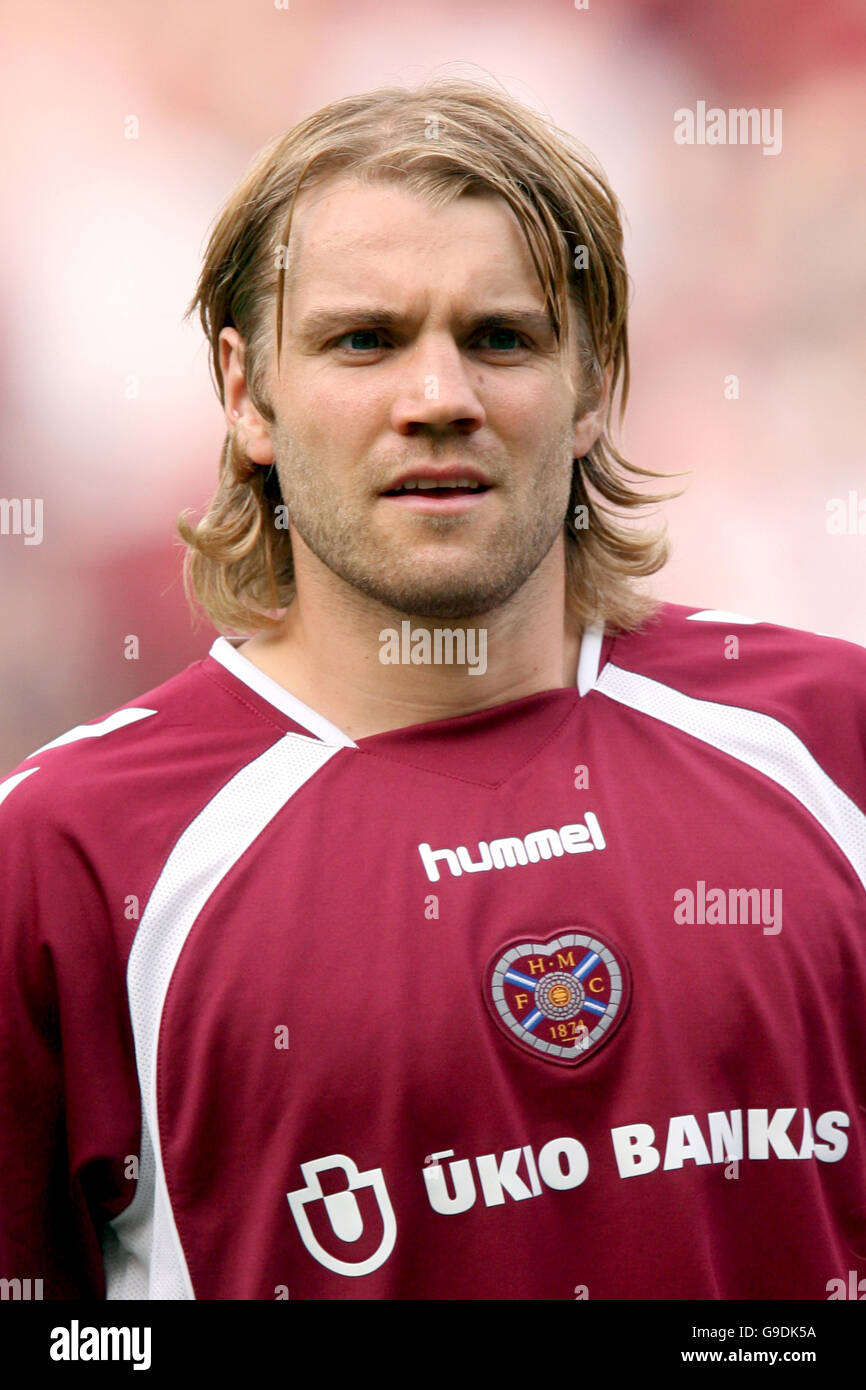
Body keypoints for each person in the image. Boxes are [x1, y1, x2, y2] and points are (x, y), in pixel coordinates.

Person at [1, 78, 864, 1302]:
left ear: (591, 383)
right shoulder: (68, 855)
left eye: (500, 338)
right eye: (364, 340)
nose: (437, 399)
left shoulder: (829, 743)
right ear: (247, 393)